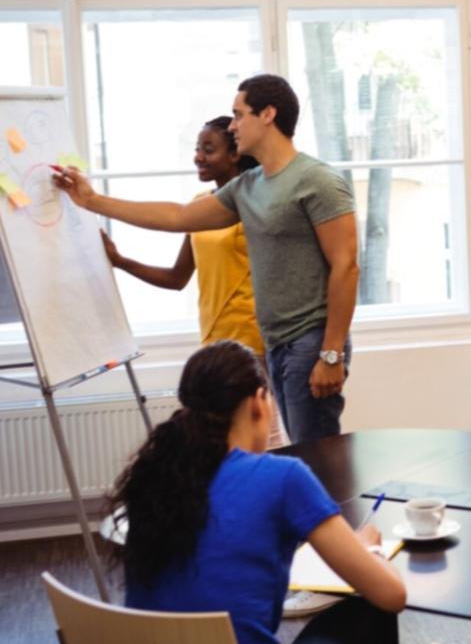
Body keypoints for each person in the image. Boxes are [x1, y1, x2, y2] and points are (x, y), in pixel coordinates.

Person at [112, 340, 405, 644]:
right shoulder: (281, 478)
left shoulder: (155, 484)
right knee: (364, 611)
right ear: (258, 401)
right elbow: (391, 594)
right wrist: (369, 551)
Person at [54, 75, 358, 443]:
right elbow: (179, 216)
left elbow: (346, 267)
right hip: (276, 342)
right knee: (301, 454)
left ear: (268, 114)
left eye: (238, 114)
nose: (232, 125)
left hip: (310, 341)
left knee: (318, 457)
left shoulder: (318, 181)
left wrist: (331, 354)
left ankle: (331, 505)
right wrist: (91, 201)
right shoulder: (249, 186)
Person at [102, 116, 285, 447]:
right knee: (226, 442)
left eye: (209, 149)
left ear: (234, 154)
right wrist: (120, 262)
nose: (198, 156)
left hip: (254, 340)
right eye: (198, 148)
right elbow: (176, 278)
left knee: (266, 439)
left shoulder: (257, 203)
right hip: (215, 342)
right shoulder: (203, 206)